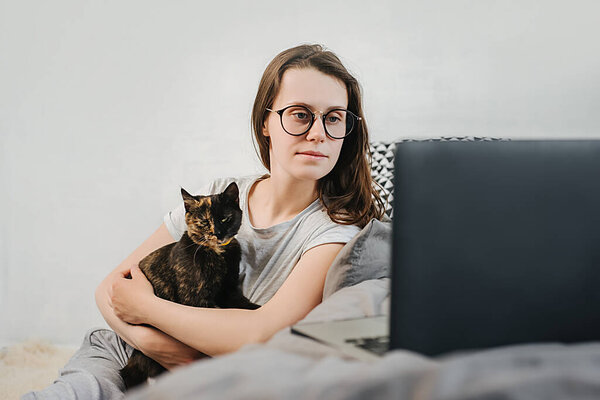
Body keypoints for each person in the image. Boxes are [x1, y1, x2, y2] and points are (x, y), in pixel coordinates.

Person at [23, 43, 385, 400]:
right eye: (301, 114)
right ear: (265, 123)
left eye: (334, 117)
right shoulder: (215, 195)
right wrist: (154, 343)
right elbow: (110, 289)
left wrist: (147, 309)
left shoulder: (335, 231)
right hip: (127, 348)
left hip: (211, 377)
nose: (318, 132)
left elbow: (263, 332)